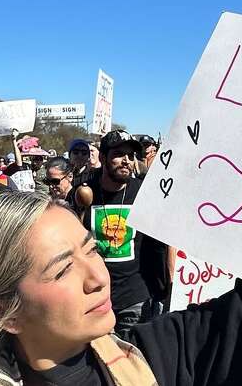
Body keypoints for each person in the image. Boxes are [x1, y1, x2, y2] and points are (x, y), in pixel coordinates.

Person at [0, 192, 242, 386]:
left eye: (92, 249)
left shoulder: (148, 358)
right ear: (2, 311)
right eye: (63, 270)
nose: (97, 277)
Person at [70, 130, 170, 334]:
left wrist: (164, 286)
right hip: (93, 295)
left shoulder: (145, 192)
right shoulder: (83, 191)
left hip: (135, 296)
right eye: (118, 154)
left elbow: (160, 244)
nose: (126, 160)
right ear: (103, 157)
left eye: (131, 156)